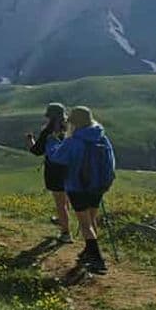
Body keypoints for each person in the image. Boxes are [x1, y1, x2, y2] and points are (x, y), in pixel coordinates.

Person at [45, 106, 116, 274]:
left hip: (78, 187)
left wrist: (52, 143)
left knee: (85, 224)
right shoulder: (102, 137)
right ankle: (88, 252)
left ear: (74, 123)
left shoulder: (73, 141)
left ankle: (97, 260)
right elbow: (111, 162)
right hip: (98, 186)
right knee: (91, 220)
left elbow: (57, 158)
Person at [26, 103, 72, 243]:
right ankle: (62, 221)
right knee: (65, 199)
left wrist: (30, 140)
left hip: (54, 171)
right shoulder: (70, 130)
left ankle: (65, 233)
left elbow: (36, 151)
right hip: (70, 169)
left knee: (60, 202)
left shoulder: (48, 132)